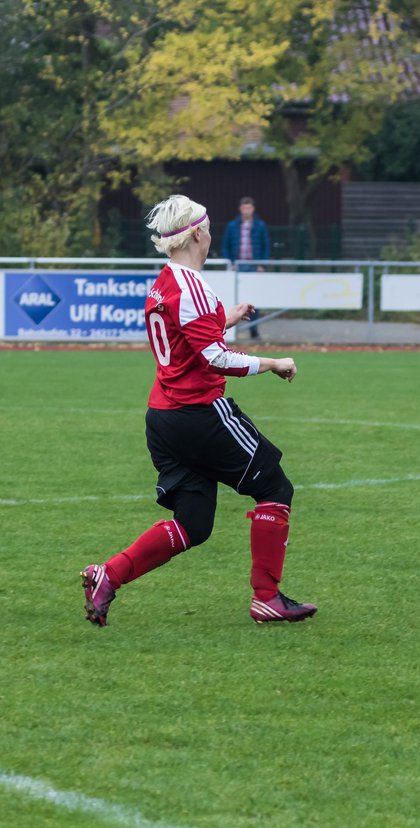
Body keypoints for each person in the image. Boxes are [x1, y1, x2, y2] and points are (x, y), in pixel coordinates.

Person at [80, 194, 315, 627]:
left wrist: (226, 318)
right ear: (198, 234)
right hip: (200, 412)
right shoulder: (194, 287)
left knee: (193, 522)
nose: (211, 234)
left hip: (163, 418)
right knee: (276, 488)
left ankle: (107, 575)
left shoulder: (164, 283)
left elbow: (186, 332)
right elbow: (215, 358)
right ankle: (267, 597)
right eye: (208, 227)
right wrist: (272, 364)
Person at [220, 196, 270, 339]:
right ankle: (232, 329)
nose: (246, 210)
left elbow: (265, 246)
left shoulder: (260, 226)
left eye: (249, 208)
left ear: (253, 209)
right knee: (235, 298)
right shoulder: (232, 226)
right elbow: (226, 246)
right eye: (244, 207)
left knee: (254, 299)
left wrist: (262, 264)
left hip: (254, 267)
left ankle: (253, 328)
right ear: (240, 209)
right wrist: (231, 263)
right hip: (238, 267)